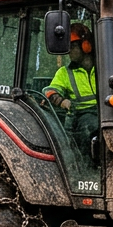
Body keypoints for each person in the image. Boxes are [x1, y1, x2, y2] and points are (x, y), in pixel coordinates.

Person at [44, 24, 99, 156]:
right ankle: (88, 163)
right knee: (92, 126)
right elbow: (49, 91)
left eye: (72, 46)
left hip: (108, 112)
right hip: (82, 116)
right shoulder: (64, 72)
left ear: (86, 46)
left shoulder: (104, 67)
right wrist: (62, 101)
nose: (69, 51)